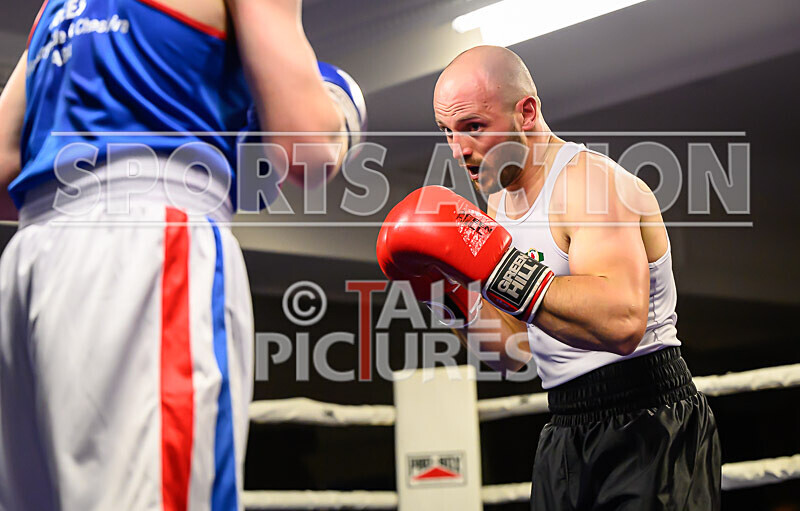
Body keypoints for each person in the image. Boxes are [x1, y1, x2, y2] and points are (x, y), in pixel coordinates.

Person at [0, 0, 364, 509]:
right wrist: (340, 110)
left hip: (29, 260)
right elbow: (306, 148)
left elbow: (4, 165)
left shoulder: (55, 8)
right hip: (150, 240)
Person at [376, 45, 720, 509]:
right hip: (565, 424)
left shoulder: (592, 185)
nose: (458, 150)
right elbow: (512, 352)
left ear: (527, 112)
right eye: (447, 132)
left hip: (648, 418)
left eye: (473, 127)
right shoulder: (497, 203)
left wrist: (497, 268)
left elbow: (622, 324)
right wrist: (440, 291)